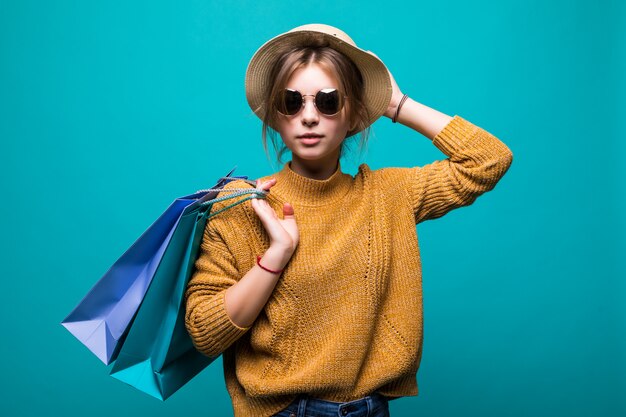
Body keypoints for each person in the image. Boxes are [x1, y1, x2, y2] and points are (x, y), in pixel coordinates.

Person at [184, 24, 513, 417]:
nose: (308, 117)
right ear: (275, 113)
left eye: (328, 101)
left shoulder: (389, 195)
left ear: (353, 112)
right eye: (291, 101)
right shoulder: (242, 204)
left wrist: (396, 104)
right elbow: (205, 331)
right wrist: (277, 254)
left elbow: (488, 159)